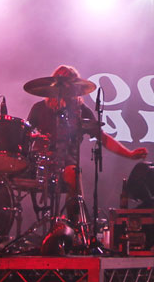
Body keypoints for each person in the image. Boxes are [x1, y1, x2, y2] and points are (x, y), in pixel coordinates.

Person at [25, 65, 146, 242]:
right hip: (41, 163)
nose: (65, 87)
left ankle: (77, 229)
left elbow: (103, 138)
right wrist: (35, 140)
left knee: (73, 173)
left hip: (68, 164)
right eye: (62, 82)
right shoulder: (39, 108)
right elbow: (26, 134)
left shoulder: (81, 111)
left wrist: (129, 154)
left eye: (69, 83)